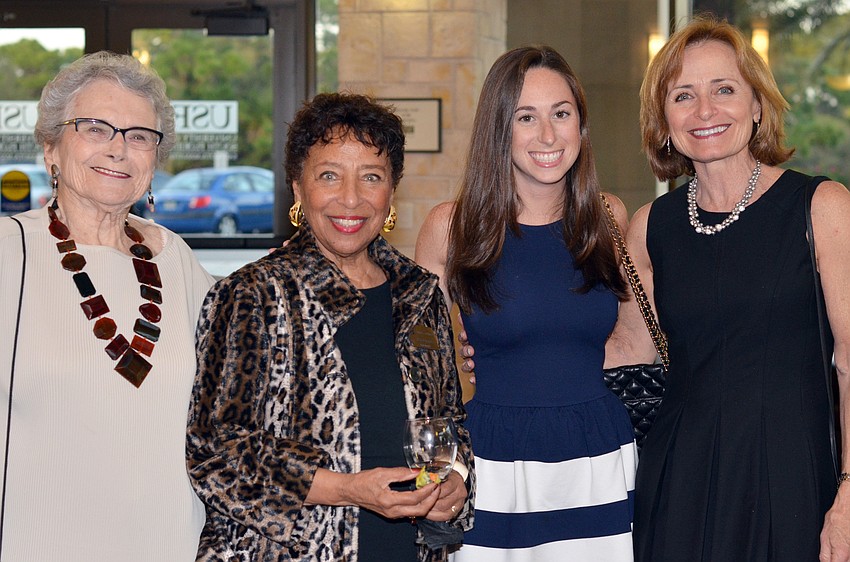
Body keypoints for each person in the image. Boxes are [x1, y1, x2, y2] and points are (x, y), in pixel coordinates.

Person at [602, 15, 850, 562]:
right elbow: (626, 352)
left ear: (757, 104)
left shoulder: (823, 207)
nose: (705, 111)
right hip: (681, 481)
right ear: (663, 120)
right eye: (683, 95)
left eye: (724, 90)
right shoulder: (651, 227)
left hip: (793, 478)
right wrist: (510, 350)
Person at [186, 92, 474, 562]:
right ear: (298, 189)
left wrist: (457, 483)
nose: (351, 199)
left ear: (392, 191)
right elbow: (215, 454)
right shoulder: (253, 295)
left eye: (371, 177)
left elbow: (450, 425)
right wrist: (347, 489)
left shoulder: (419, 295)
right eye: (329, 176)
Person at [416, 45, 636, 560]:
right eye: (526, 117)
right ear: (500, 128)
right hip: (494, 459)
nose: (548, 135)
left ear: (580, 124)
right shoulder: (450, 228)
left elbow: (631, 340)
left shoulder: (609, 218)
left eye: (561, 114)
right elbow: (418, 363)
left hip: (597, 455)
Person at [0, 51, 213, 560]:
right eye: (95, 128)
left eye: (139, 135)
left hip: (170, 546)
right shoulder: (10, 250)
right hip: (38, 545)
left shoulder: (177, 259)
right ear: (51, 146)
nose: (119, 149)